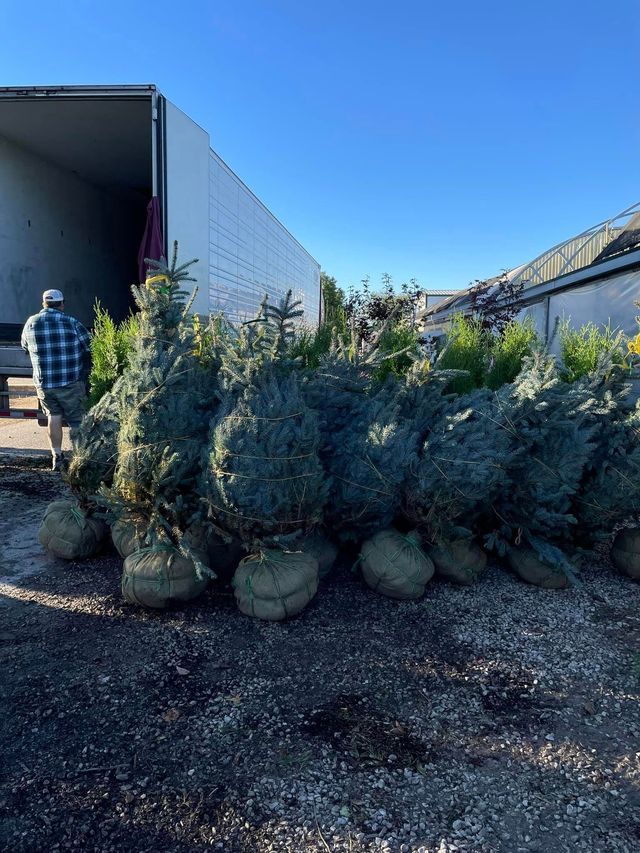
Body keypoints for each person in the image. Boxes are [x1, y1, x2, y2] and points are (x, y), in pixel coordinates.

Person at [21, 289, 91, 471]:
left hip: (44, 383)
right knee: (77, 421)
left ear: (43, 303)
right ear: (61, 304)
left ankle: (57, 456)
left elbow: (25, 347)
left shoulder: (31, 322)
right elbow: (89, 346)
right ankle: (80, 459)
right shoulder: (71, 322)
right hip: (70, 381)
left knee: (54, 416)